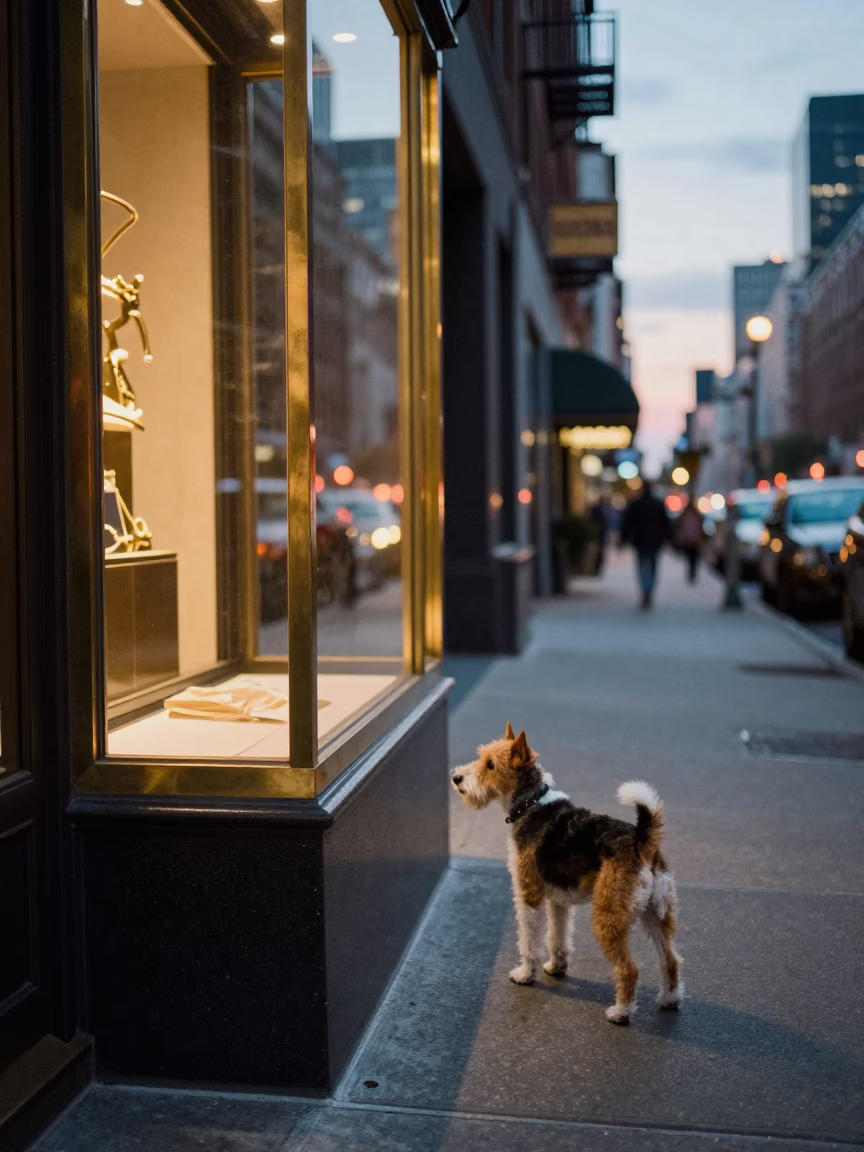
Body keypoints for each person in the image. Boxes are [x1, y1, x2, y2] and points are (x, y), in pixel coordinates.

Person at [619, 481, 672, 609]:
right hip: (653, 540)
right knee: (652, 565)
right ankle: (648, 588)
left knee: (643, 565)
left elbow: (627, 523)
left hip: (641, 540)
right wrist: (668, 538)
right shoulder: (657, 504)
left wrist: (623, 538)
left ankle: (645, 588)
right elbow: (666, 523)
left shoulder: (636, 504)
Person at [674, 501, 704, 584]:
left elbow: (679, 528)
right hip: (694, 541)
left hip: (687, 540)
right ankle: (692, 573)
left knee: (690, 558)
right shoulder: (697, 515)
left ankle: (691, 573)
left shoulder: (684, 515)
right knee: (693, 559)